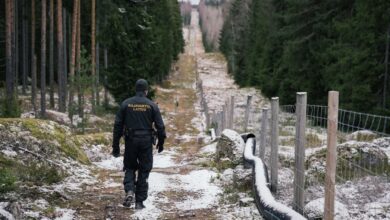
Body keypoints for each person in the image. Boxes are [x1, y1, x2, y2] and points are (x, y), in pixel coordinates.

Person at [111, 79, 166, 209]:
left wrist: (116, 146)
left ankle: (129, 190)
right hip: (146, 142)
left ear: (136, 90)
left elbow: (117, 126)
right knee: (144, 169)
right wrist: (161, 143)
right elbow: (160, 127)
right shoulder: (152, 105)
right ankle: (139, 202)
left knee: (130, 167)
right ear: (146, 91)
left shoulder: (126, 104)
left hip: (131, 141)